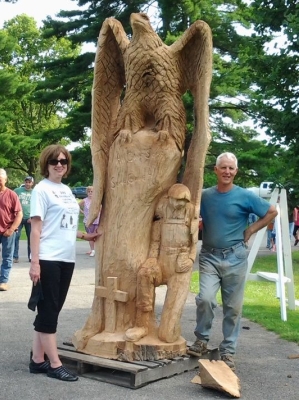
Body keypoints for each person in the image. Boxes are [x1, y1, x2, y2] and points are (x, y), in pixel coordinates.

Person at [188, 152, 278, 371]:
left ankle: (228, 350)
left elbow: (272, 211)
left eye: (231, 168)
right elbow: (189, 213)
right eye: (223, 168)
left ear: (235, 172)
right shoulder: (205, 196)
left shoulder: (245, 196)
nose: (227, 171)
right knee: (206, 299)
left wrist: (251, 230)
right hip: (209, 256)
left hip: (235, 256)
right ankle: (201, 339)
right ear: (216, 171)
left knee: (233, 308)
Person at [29, 144, 100, 382]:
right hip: (48, 258)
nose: (59, 165)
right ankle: (54, 364)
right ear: (46, 165)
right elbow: (36, 230)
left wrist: (84, 236)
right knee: (48, 309)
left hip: (66, 258)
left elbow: (64, 224)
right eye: (54, 161)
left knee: (52, 308)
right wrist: (35, 262)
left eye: (63, 161)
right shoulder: (41, 190)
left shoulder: (67, 190)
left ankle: (38, 359)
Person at [125, 183, 197, 343]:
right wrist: (151, 258)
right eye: (177, 200)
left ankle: (171, 325)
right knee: (144, 273)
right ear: (168, 199)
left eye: (184, 201)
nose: (180, 204)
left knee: (167, 336)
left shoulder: (190, 214)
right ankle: (142, 324)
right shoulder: (161, 214)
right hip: (162, 260)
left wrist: (191, 259)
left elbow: (194, 243)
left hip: (180, 265)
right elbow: (155, 241)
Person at [0, 169, 23, 291]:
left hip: (7, 231)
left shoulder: (12, 194)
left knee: (7, 256)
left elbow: (19, 214)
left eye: (0, 180)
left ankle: (3, 281)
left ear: (5, 180)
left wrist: (12, 229)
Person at [13, 176, 34, 263]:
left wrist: (32, 217)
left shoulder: (35, 192)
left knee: (31, 238)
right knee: (16, 236)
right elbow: (12, 200)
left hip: (29, 218)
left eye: (29, 182)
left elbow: (37, 206)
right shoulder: (17, 191)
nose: (27, 184)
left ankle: (31, 256)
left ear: (32, 183)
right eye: (26, 182)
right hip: (19, 217)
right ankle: (15, 256)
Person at [78, 186, 101, 257]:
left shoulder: (97, 200)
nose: (90, 193)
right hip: (88, 221)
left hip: (97, 221)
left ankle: (97, 250)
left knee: (97, 236)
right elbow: (76, 206)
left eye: (92, 191)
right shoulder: (85, 200)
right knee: (90, 236)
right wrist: (82, 211)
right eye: (89, 191)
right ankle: (93, 250)